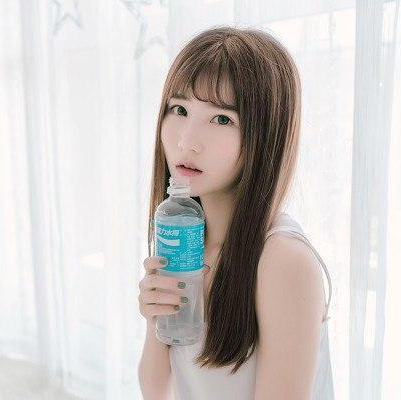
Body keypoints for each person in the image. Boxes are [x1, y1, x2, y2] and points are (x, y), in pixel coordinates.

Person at [137, 26, 334, 400]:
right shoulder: (185, 239)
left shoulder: (283, 260)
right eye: (180, 110)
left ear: (265, 135)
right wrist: (154, 322)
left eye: (222, 119)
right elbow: (157, 391)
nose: (187, 141)